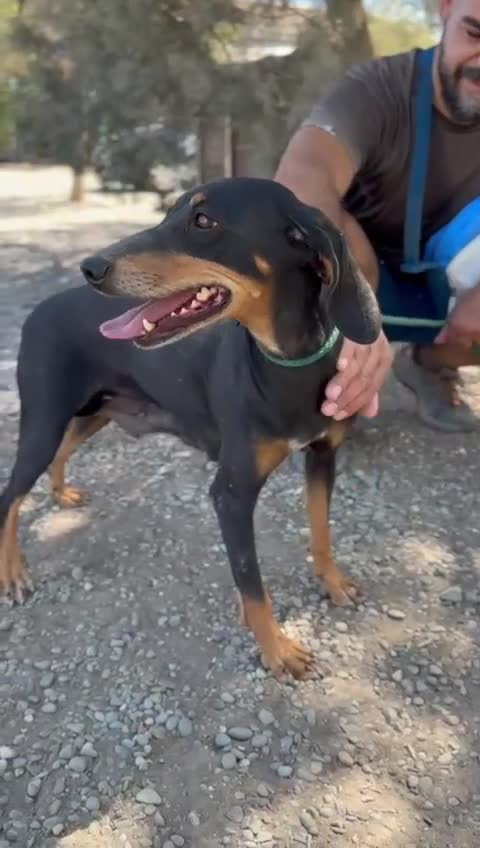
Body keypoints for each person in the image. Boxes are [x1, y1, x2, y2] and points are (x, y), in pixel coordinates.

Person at [275, 0, 480, 431]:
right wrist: (353, 304)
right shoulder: (377, 89)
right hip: (359, 275)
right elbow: (302, 176)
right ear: (444, 8)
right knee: (299, 237)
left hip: (451, 280)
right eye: (475, 35)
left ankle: (429, 363)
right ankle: (330, 374)